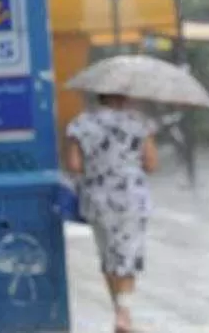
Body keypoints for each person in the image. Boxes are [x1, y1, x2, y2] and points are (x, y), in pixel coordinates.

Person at [64, 93, 158, 333]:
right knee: (128, 254)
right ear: (123, 96)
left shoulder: (81, 123)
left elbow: (74, 165)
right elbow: (151, 163)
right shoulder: (138, 122)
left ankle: (119, 312)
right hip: (130, 198)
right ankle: (124, 314)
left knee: (108, 255)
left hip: (96, 198)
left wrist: (94, 169)